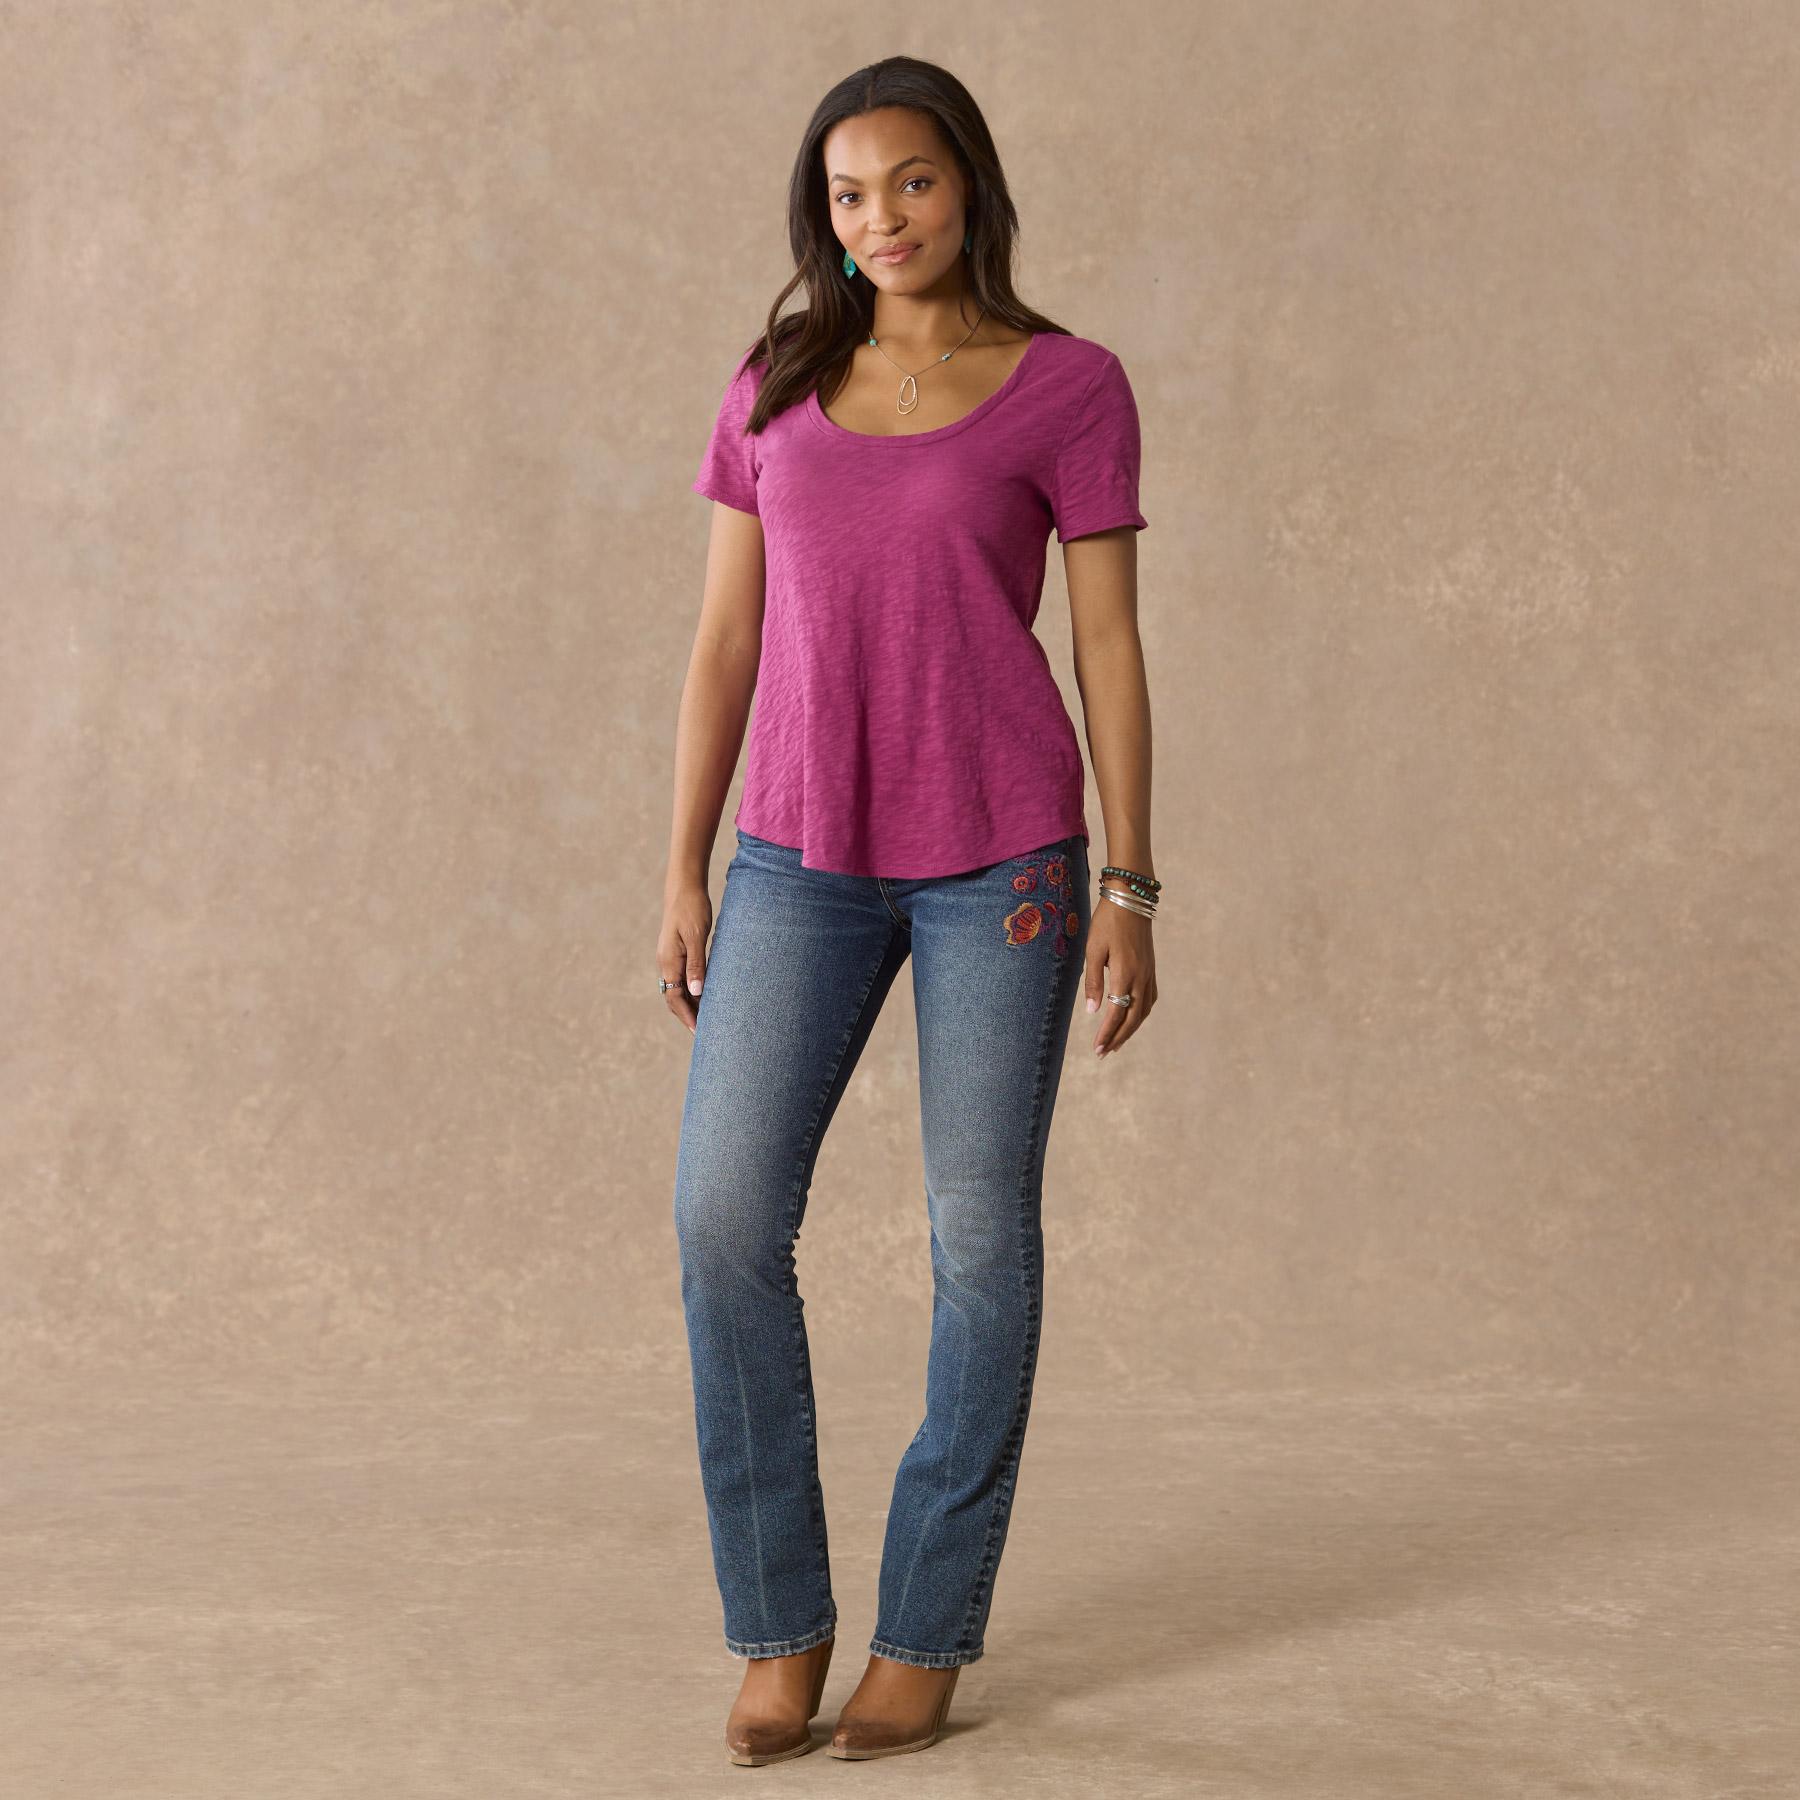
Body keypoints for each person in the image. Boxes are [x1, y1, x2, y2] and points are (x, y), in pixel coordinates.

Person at [660, 54, 1161, 1766]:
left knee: (978, 1240)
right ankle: (780, 1623)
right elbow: (726, 640)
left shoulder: (1069, 386)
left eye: (914, 182)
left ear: (971, 189)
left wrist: (1130, 879)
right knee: (724, 1218)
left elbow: (1107, 646)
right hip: (797, 856)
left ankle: (926, 1628)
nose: (882, 218)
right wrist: (682, 866)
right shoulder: (776, 383)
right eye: (849, 193)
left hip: (1000, 864)